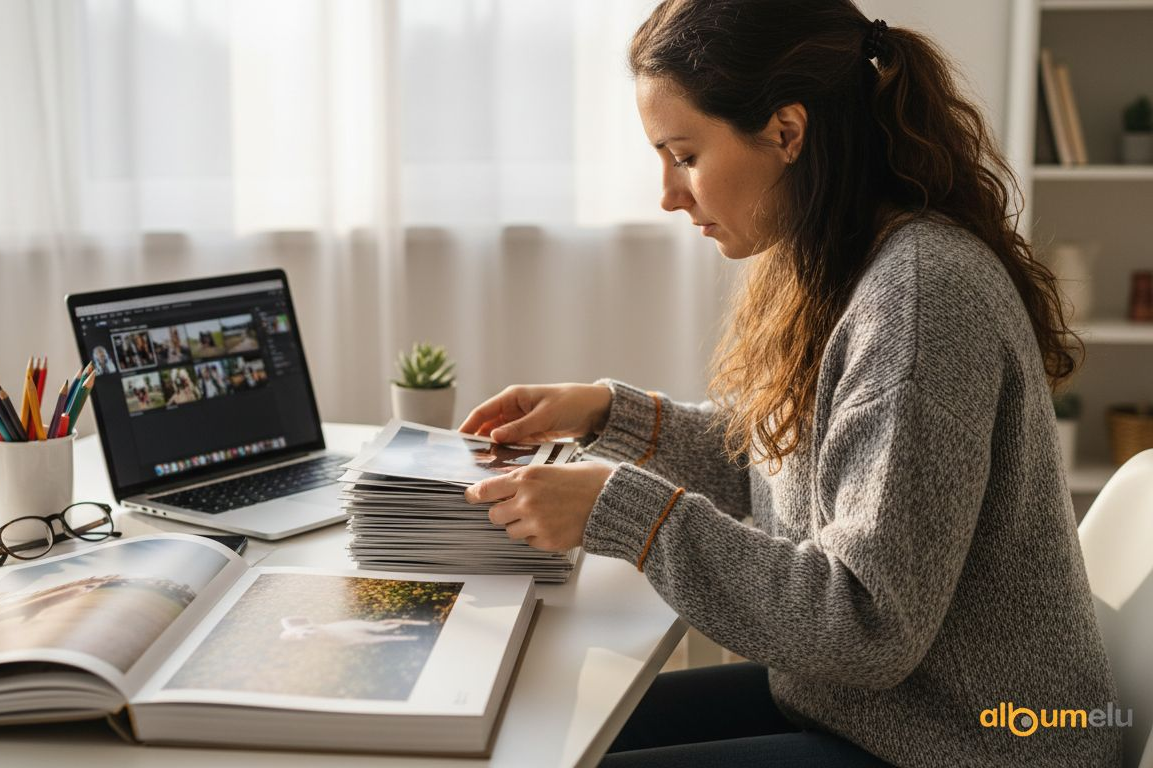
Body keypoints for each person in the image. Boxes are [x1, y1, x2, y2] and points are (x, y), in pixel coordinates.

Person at [459, 2, 1118, 766]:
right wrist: (613, 415)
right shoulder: (844, 259)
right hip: (880, 712)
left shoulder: (919, 300)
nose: (669, 195)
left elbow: (866, 624)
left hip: (970, 743)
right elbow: (786, 479)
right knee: (535, 732)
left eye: (684, 155)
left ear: (786, 132)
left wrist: (628, 514)